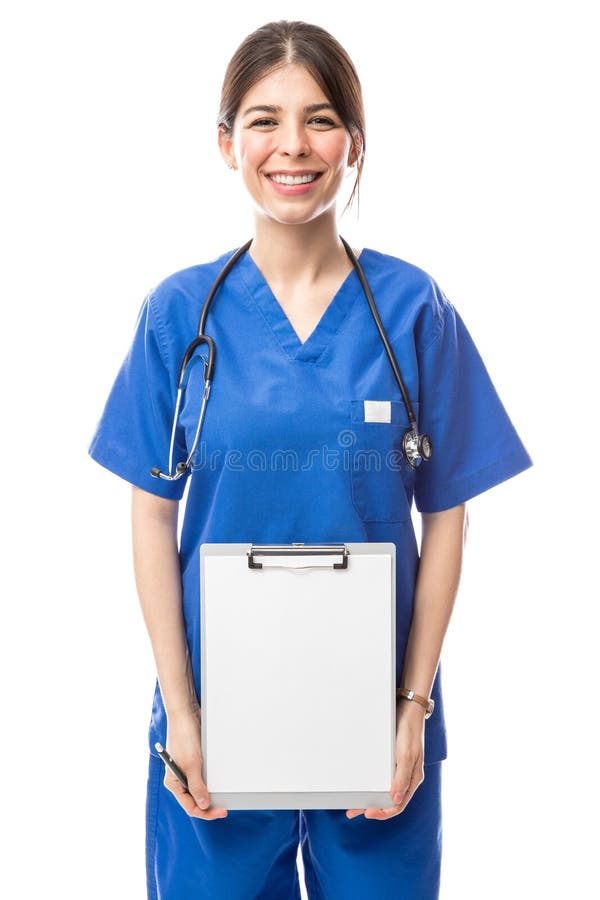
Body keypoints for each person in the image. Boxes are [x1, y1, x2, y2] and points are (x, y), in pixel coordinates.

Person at [89, 18, 533, 900]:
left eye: (321, 118)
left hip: (374, 726)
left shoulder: (413, 311)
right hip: (212, 723)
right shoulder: (180, 315)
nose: (292, 145)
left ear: (355, 144)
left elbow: (447, 514)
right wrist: (182, 711)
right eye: (263, 119)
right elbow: (150, 511)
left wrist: (414, 710)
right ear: (226, 144)